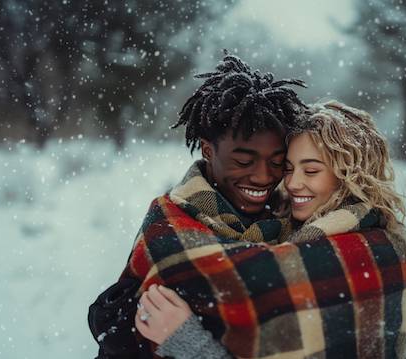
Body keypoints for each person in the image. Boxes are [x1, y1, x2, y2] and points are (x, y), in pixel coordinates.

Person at [129, 101, 406, 358]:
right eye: (288, 168)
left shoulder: (371, 252)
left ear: (351, 175)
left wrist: (189, 343)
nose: (293, 183)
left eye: (311, 170)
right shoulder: (284, 232)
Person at [87, 50, 307, 358]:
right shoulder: (168, 229)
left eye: (277, 162)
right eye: (243, 160)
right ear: (207, 150)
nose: (263, 177)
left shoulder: (302, 223)